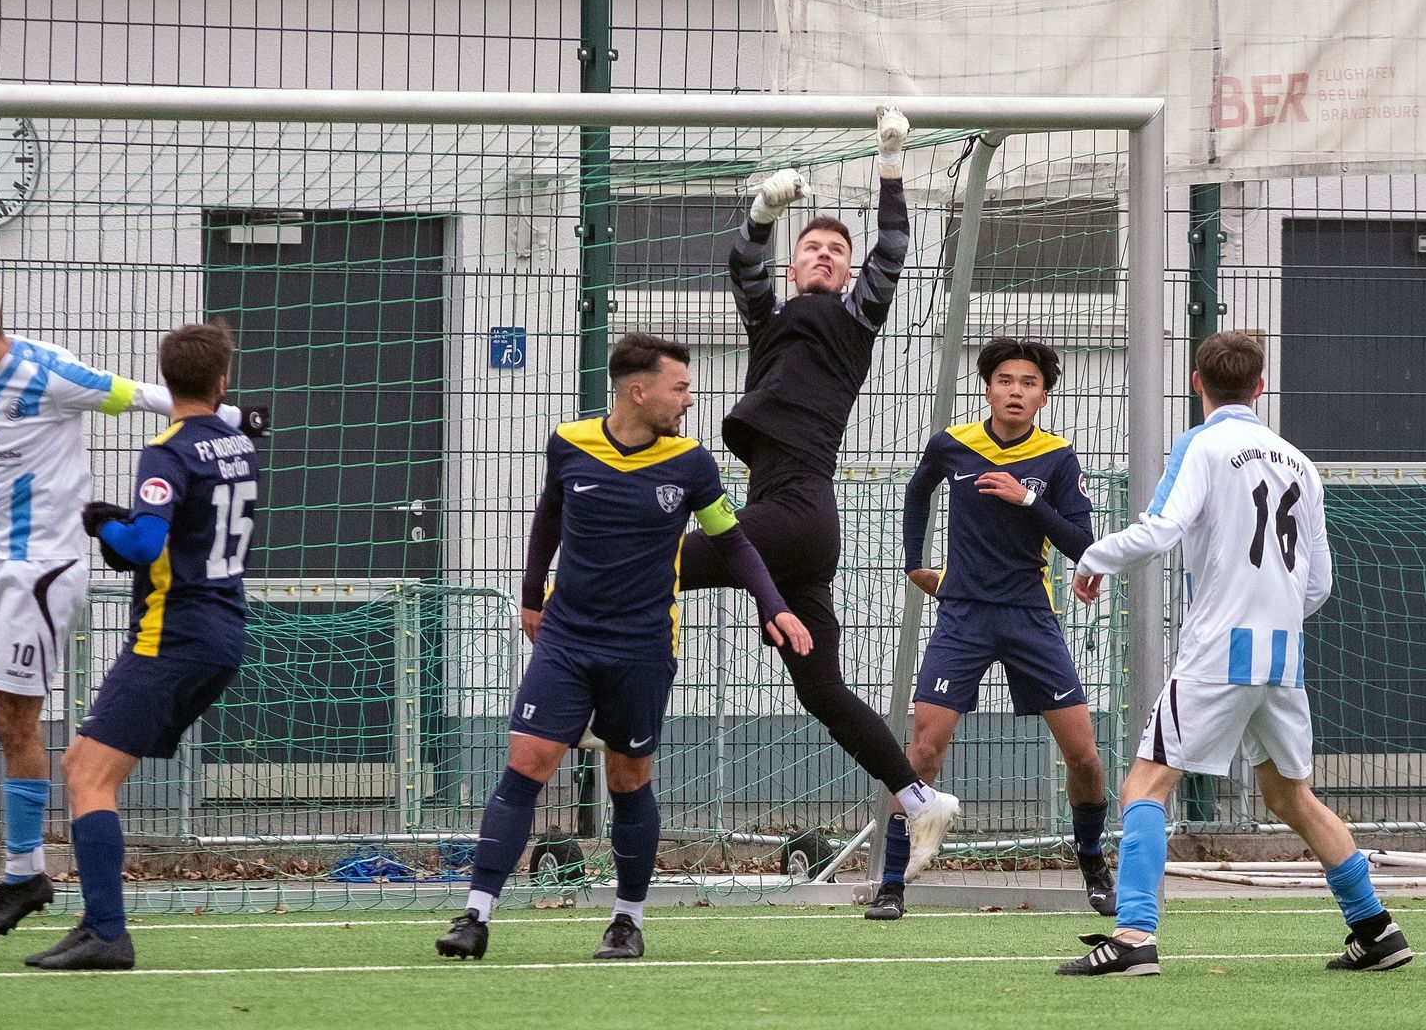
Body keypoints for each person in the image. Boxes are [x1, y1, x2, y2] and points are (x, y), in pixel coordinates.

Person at [0, 275, 262, 941]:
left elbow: (143, 394)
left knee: (16, 723)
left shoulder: (47, 372)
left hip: (40, 570)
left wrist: (231, 419)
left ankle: (24, 874)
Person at [437, 334, 809, 963]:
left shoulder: (691, 463)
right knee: (527, 763)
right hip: (566, 637)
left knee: (628, 776)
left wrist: (774, 603)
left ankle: (626, 921)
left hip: (643, 645)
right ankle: (475, 915)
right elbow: (549, 517)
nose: (689, 400)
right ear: (638, 391)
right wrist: (530, 596)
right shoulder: (570, 443)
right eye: (680, 387)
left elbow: (733, 541)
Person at [1055, 332, 1411, 977]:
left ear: (1197, 382)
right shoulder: (1300, 462)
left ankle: (1133, 937)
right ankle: (1375, 928)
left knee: (1145, 784)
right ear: (1259, 386)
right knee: (1290, 794)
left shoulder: (1202, 444)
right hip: (1282, 656)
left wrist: (1092, 557)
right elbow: (1318, 586)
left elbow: (1160, 530)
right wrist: (1269, 611)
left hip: (1218, 651)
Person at [676, 107, 961, 875]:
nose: (826, 255)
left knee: (654, 559)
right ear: (796, 267)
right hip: (798, 528)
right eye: (813, 248)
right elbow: (743, 265)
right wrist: (765, 210)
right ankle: (918, 799)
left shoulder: (853, 321)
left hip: (794, 513)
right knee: (821, 689)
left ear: (845, 272)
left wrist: (891, 162)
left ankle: (588, 687)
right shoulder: (769, 321)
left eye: (837, 250)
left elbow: (893, 247)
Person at [22, 322, 260, 971]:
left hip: (172, 636)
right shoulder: (239, 445)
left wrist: (104, 525)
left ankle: (108, 934)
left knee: (85, 774)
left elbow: (145, 545)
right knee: (87, 765)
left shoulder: (167, 451)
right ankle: (96, 920)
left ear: (166, 377)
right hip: (223, 631)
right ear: (222, 381)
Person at [866, 338, 1112, 920]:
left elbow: (1082, 544)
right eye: (1005, 380)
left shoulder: (1057, 457)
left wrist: (1028, 499)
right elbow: (917, 493)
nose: (1016, 392)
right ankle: (892, 883)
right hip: (963, 616)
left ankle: (1092, 862)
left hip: (1030, 615)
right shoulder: (951, 444)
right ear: (987, 389)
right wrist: (914, 562)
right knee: (923, 750)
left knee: (1083, 755)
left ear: (1043, 397)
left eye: (1028, 383)